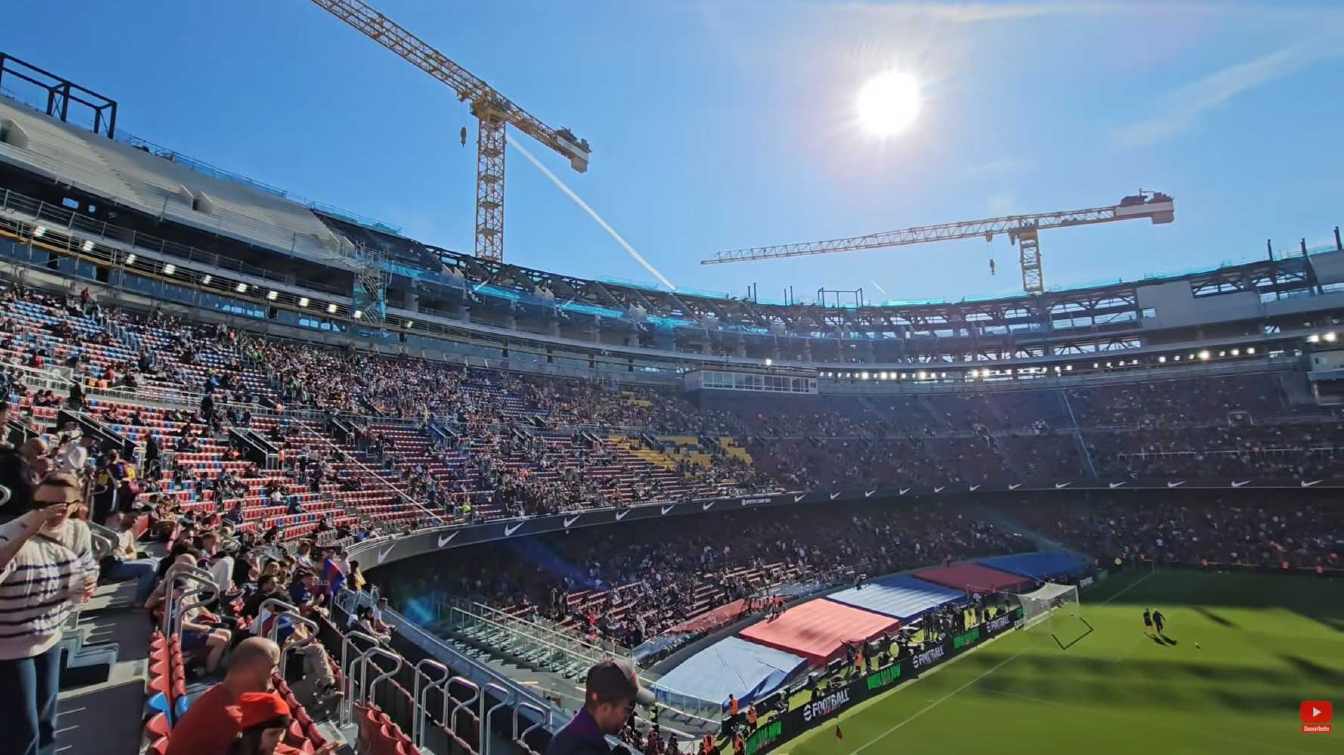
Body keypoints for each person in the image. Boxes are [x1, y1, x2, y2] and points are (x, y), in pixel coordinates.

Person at [0, 470, 99, 755]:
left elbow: (87, 567)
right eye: (41, 505)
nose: (50, 513)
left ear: (76, 506)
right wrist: (29, 528)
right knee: (21, 729)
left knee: (46, 722)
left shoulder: (78, 531)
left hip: (50, 636)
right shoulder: (13, 533)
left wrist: (88, 580)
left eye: (60, 506)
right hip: (9, 648)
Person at [164, 638, 281, 755]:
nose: (271, 685)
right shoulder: (228, 717)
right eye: (270, 673)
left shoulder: (217, 694)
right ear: (250, 673)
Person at [545, 658, 654, 755]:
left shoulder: (568, 737)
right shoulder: (584, 749)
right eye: (629, 707)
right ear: (605, 707)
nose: (630, 715)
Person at [224, 691, 338, 755]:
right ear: (253, 733)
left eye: (282, 732)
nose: (279, 739)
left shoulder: (277, 749)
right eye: (273, 734)